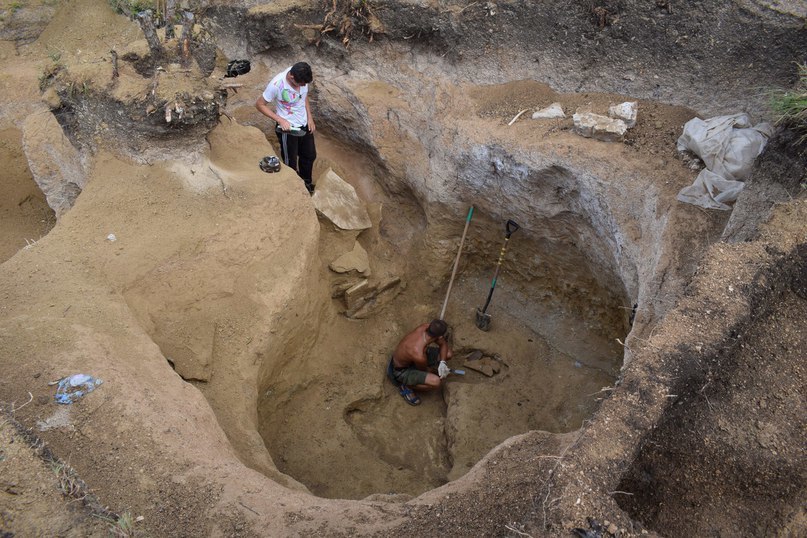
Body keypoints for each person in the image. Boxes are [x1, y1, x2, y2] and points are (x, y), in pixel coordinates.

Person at [255, 62, 317, 194]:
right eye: (300, 84)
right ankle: (295, 188)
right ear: (291, 77)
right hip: (288, 128)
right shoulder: (277, 85)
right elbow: (260, 104)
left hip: (304, 123)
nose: (303, 87)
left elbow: (303, 97)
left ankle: (306, 183)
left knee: (309, 155)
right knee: (291, 162)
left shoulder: (302, 74)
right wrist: (280, 120)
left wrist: (310, 117)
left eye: (304, 84)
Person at [387, 319, 453, 406]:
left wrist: (442, 363)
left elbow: (443, 344)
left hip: (414, 359)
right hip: (402, 370)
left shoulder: (425, 326)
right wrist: (438, 372)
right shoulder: (419, 354)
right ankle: (407, 385)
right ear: (439, 336)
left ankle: (432, 367)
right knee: (436, 382)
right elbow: (424, 370)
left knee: (448, 354)